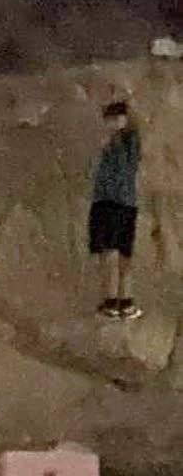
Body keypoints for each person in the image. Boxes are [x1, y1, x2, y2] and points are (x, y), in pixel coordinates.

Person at [90, 99, 142, 320]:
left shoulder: (121, 141)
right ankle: (122, 300)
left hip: (111, 203)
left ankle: (114, 300)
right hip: (124, 203)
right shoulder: (127, 140)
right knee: (120, 254)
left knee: (112, 253)